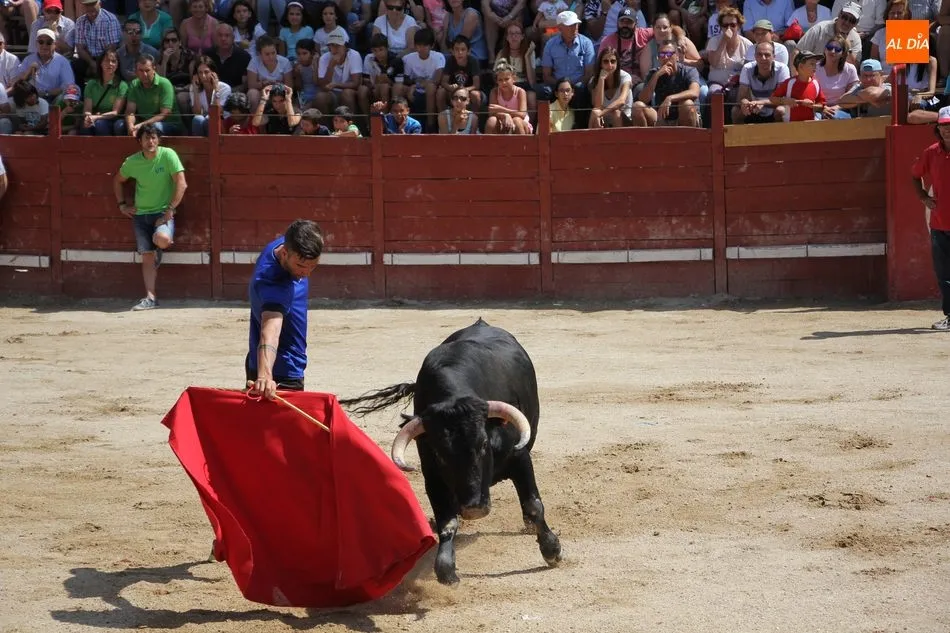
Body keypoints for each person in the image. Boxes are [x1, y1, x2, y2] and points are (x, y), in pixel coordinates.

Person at [246, 219, 325, 400]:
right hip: (282, 373)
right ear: (284, 253)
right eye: (301, 266)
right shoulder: (274, 285)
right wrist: (265, 376)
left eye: (313, 266)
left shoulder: (286, 244)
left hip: (263, 363)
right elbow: (270, 332)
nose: (306, 273)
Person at [113, 123, 187, 311]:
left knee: (162, 240)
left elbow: (182, 183)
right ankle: (150, 297)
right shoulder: (132, 161)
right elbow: (117, 180)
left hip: (163, 212)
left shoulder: (168, 154)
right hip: (140, 214)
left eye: (154, 137)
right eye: (147, 138)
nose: (151, 141)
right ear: (140, 141)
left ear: (158, 140)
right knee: (146, 257)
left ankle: (158, 249)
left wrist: (170, 209)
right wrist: (122, 205)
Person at [911, 106, 950, 331]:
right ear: (938, 128)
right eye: (944, 126)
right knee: (945, 275)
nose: (947, 130)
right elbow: (915, 176)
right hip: (940, 223)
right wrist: (923, 196)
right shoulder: (931, 152)